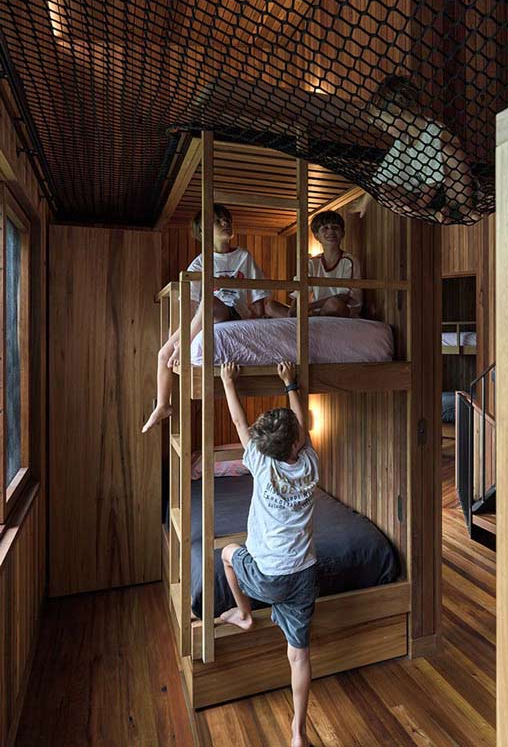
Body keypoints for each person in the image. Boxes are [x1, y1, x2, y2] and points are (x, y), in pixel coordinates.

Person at [220, 360, 318, 747]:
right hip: (304, 574)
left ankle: (245, 614)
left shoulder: (260, 464)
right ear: (297, 445)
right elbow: (302, 425)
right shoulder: (310, 463)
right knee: (300, 655)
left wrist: (228, 382)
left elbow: (239, 423)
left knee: (228, 553)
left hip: (268, 575)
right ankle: (298, 733)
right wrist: (290, 383)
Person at [142, 204, 286, 433]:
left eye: (227, 219)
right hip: (207, 314)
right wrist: (178, 335)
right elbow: (190, 305)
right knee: (162, 354)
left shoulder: (243, 256)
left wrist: (256, 315)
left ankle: (184, 346)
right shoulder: (201, 263)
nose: (225, 223)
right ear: (202, 231)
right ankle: (162, 405)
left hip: (233, 312)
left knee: (208, 301)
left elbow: (259, 294)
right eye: (217, 221)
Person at [352, 74, 480, 224]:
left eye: (385, 124)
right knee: (383, 190)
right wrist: (365, 200)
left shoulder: (433, 131)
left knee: (451, 154)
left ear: (398, 111)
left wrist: (417, 207)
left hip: (452, 190)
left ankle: (464, 209)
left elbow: (433, 182)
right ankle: (435, 214)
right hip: (427, 198)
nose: (386, 130)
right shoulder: (403, 140)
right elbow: (385, 174)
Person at [289, 210, 362, 318]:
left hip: (343, 310)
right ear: (316, 236)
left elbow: (344, 297)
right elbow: (299, 291)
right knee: (270, 306)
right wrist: (292, 312)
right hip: (314, 310)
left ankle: (315, 317)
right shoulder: (312, 263)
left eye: (335, 227)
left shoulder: (349, 261)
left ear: (342, 233)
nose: (330, 231)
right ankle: (312, 317)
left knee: (333, 303)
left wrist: (309, 307)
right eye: (325, 228)